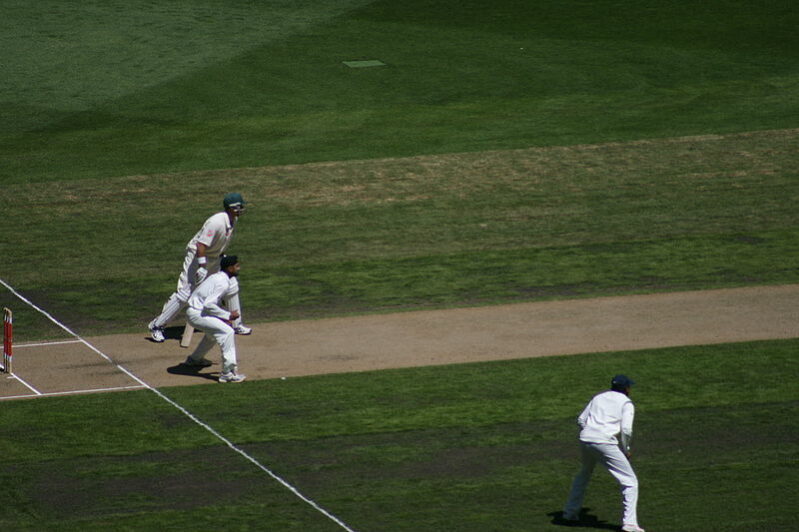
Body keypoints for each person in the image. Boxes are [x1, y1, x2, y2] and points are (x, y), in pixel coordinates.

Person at [148, 193, 252, 342]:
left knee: (232, 285)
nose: (242, 209)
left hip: (215, 258)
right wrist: (202, 267)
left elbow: (220, 243)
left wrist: (221, 259)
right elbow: (200, 245)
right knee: (186, 293)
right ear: (232, 208)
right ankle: (157, 325)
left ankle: (236, 324)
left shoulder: (233, 220)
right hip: (198, 257)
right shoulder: (216, 222)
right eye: (240, 207)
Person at [562, 375, 644, 532]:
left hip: (585, 439)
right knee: (630, 481)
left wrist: (590, 434)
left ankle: (570, 513)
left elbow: (581, 419)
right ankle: (630, 524)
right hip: (604, 442)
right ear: (626, 389)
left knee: (584, 474)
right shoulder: (626, 403)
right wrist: (626, 449)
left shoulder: (599, 397)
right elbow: (626, 430)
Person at [182, 255, 247, 383]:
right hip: (198, 313)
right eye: (236, 266)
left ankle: (195, 359)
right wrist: (228, 315)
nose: (239, 268)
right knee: (227, 332)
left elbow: (209, 300)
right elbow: (209, 304)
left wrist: (221, 315)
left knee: (213, 334)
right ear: (230, 268)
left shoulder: (217, 277)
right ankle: (228, 373)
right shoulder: (222, 282)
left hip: (197, 311)